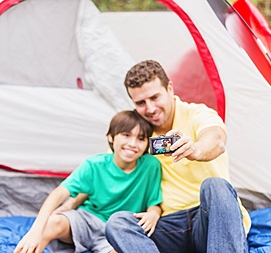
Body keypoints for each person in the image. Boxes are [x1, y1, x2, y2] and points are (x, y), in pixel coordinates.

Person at [104, 60, 251, 253]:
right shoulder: (133, 134)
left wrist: (195, 150)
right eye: (140, 103)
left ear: (170, 88)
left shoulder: (197, 114)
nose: (150, 108)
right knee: (118, 223)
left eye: (155, 97)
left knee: (216, 186)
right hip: (166, 226)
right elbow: (106, 175)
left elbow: (217, 139)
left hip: (208, 220)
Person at [14, 110, 163, 253]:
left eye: (141, 138)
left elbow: (154, 204)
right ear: (111, 137)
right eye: (126, 135)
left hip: (116, 231)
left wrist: (153, 214)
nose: (133, 143)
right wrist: (35, 231)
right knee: (51, 223)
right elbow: (58, 193)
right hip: (87, 220)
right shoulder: (94, 165)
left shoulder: (150, 166)